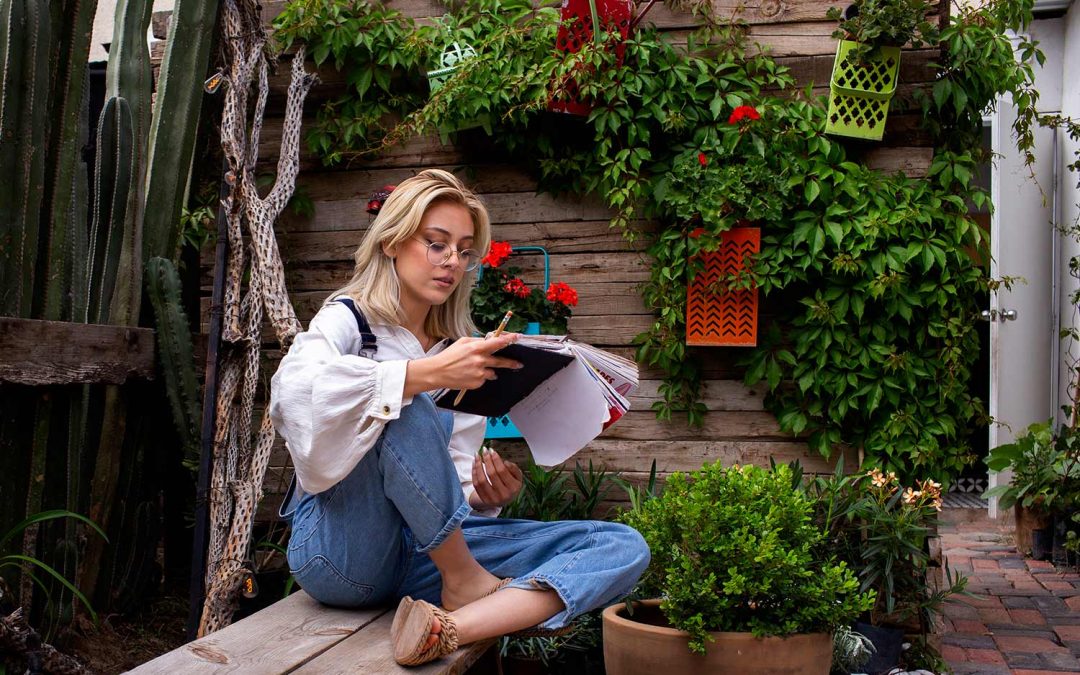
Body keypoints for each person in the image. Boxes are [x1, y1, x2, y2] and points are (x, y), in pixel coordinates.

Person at [269, 169, 650, 666]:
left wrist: (482, 495)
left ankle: (447, 627)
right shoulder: (348, 318)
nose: (453, 261)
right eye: (436, 243)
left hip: (424, 558)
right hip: (342, 556)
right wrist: (418, 375)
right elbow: (291, 393)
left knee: (620, 543)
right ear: (392, 242)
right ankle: (470, 585)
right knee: (400, 403)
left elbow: (439, 474)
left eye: (464, 250)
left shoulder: (460, 351)